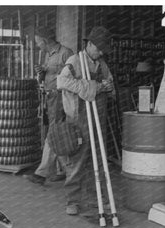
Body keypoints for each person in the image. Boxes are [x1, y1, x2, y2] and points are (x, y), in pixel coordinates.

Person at [57, 26, 115, 215]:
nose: (101, 52)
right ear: (89, 44)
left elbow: (110, 83)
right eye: (98, 48)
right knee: (78, 160)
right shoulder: (75, 61)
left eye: (103, 50)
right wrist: (90, 86)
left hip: (99, 116)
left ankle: (96, 198)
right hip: (79, 118)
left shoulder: (102, 64)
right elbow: (62, 82)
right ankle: (72, 201)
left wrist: (105, 86)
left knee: (97, 159)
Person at [23, 27, 74, 185]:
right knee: (58, 132)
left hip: (61, 97)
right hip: (50, 96)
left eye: (39, 42)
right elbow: (47, 75)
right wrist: (42, 72)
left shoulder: (66, 53)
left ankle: (42, 173)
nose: (38, 46)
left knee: (54, 132)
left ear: (45, 41)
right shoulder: (48, 55)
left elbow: (73, 76)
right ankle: (65, 170)